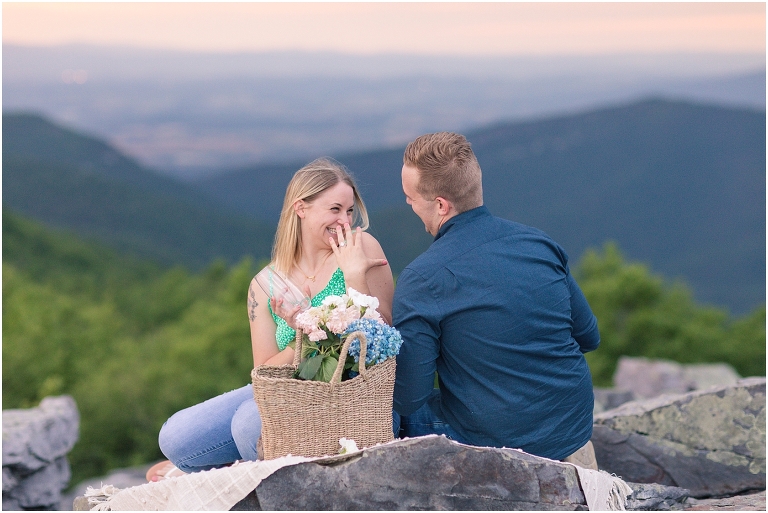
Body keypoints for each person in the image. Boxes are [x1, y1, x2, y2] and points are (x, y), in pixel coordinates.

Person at [148, 157, 393, 481]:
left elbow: (384, 334)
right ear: (301, 208)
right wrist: (305, 333)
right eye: (334, 210)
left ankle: (251, 468)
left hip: (349, 391)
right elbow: (265, 371)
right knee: (177, 438)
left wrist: (353, 275)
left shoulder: (360, 247)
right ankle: (242, 463)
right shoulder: (265, 285)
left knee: (249, 426)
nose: (344, 221)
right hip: (288, 385)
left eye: (349, 211)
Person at [391, 132, 600, 470]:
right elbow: (589, 337)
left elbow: (409, 395)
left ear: (441, 205)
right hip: (571, 427)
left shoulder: (423, 278)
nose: (408, 204)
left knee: (389, 414)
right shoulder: (540, 244)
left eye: (410, 197)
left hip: (496, 441)